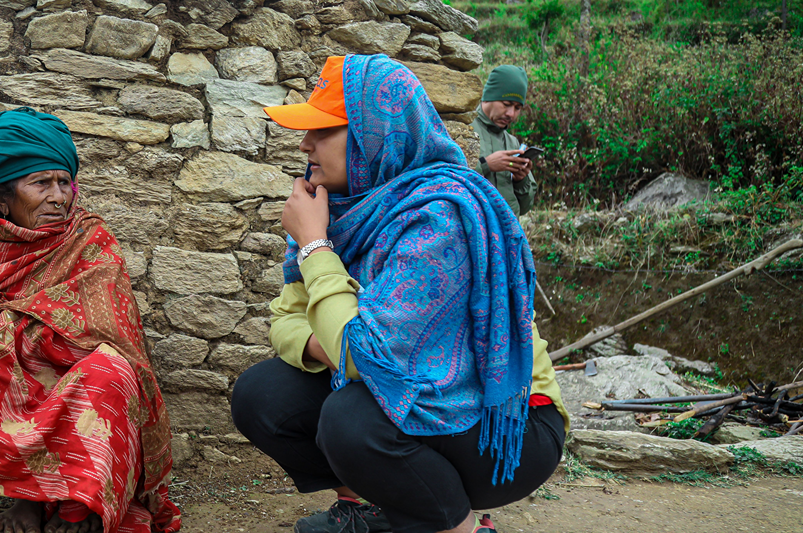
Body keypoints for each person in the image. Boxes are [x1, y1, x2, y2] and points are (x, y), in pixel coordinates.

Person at [230, 55, 570, 533]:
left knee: (352, 419)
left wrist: (315, 247)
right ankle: (377, 509)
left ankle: (463, 527)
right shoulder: (340, 208)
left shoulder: (440, 216)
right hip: (419, 401)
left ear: (377, 134)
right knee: (261, 395)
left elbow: (361, 355)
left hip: (508, 428)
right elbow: (285, 321)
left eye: (323, 130)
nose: (305, 144)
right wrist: (330, 342)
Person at [0, 107, 181, 533]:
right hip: (9, 368)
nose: (59, 196)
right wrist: (8, 342)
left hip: (76, 367)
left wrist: (24, 330)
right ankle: (26, 499)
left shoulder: (89, 238)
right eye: (41, 183)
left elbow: (114, 329)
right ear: (1, 198)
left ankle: (80, 502)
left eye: (64, 182)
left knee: (112, 372)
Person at [474, 65, 536, 217]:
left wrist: (521, 180)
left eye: (517, 108)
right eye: (506, 104)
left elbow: (525, 207)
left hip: (508, 235)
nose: (511, 114)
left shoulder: (513, 143)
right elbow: (442, 180)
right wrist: (486, 165)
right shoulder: (461, 128)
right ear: (489, 97)